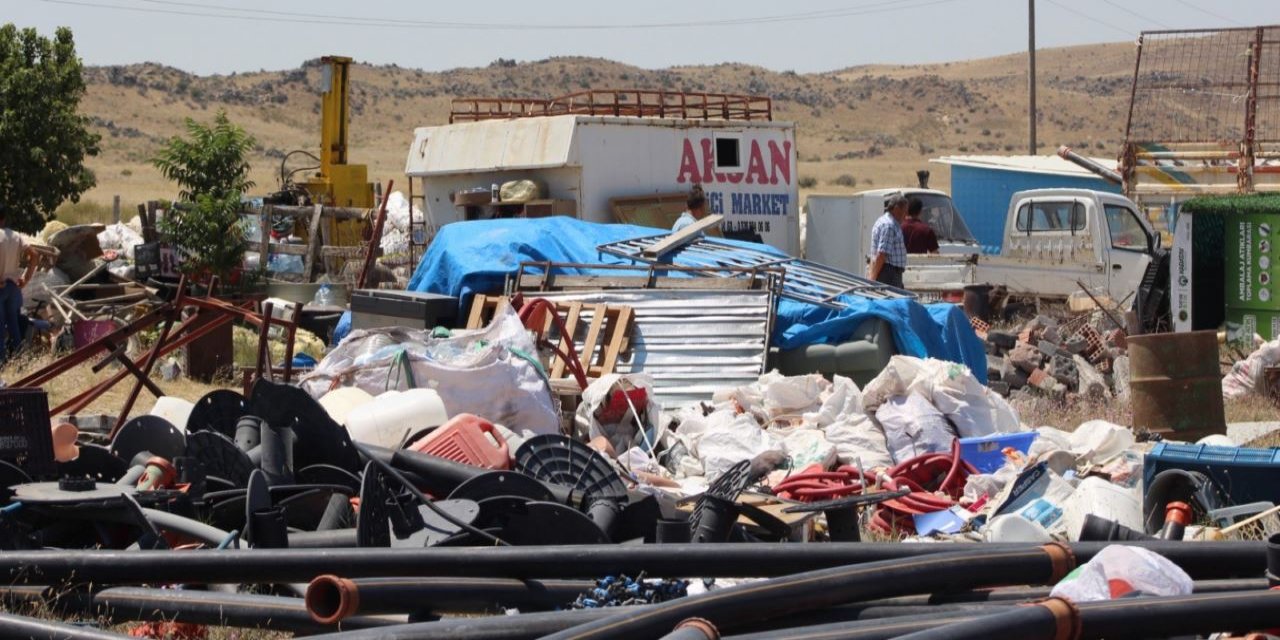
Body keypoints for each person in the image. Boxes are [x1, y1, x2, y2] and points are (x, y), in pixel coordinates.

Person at [0, 205, 38, 362]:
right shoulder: (16, 236)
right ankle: (19, 359)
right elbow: (34, 255)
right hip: (13, 286)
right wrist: (26, 278)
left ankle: (1, 362)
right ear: (4, 218)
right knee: (13, 323)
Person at [868, 194, 909, 288]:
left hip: (889, 272)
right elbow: (882, 254)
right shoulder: (889, 226)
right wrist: (872, 278)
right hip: (888, 274)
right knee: (892, 301)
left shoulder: (886, 222)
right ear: (896, 209)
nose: (906, 215)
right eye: (905, 211)